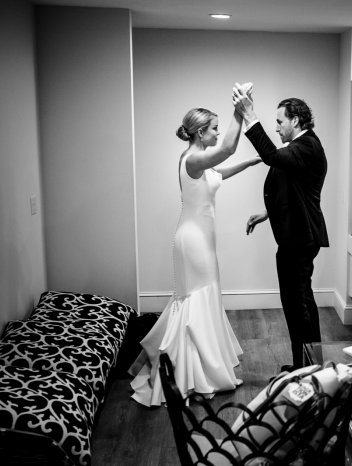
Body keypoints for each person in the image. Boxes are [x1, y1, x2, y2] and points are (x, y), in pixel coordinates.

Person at [130, 88, 261, 406]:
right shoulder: (192, 159)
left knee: (207, 296)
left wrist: (254, 161)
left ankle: (202, 364)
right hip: (192, 242)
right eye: (214, 128)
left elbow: (221, 171)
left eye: (218, 127)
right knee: (196, 301)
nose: (218, 133)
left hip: (202, 239)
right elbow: (227, 148)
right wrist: (240, 110)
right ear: (201, 133)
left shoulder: (200, 163)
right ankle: (189, 371)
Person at [232, 87, 329, 371]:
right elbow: (293, 189)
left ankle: (306, 371)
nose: (276, 128)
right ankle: (310, 365)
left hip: (299, 239)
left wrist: (250, 115)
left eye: (279, 122)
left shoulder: (307, 146)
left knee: (296, 306)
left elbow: (273, 157)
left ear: (295, 121)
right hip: (297, 236)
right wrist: (267, 212)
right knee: (302, 304)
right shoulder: (302, 147)